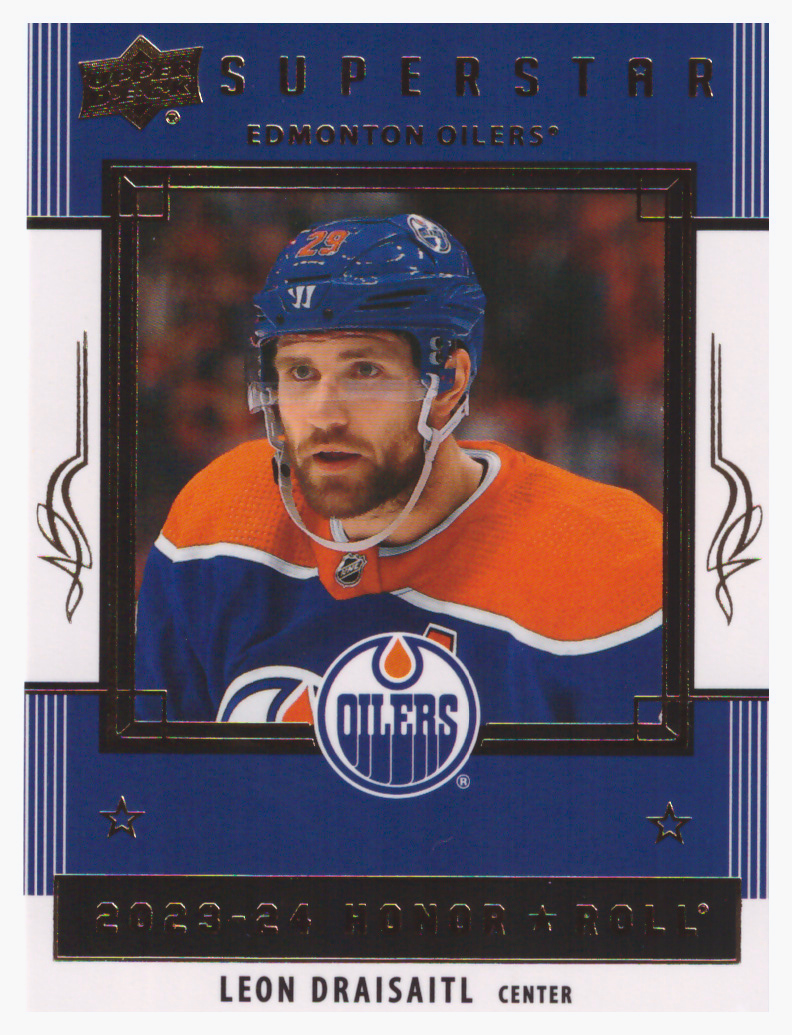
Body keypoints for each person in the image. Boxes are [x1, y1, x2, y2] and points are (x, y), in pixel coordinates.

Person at [136, 213, 661, 728]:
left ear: (449, 383)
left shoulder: (613, 562)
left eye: (364, 370)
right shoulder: (220, 518)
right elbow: (155, 770)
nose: (323, 416)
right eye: (301, 371)